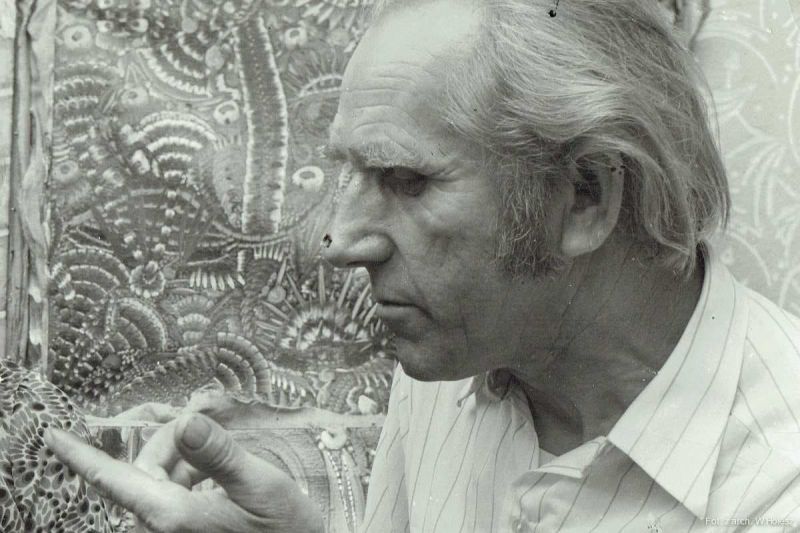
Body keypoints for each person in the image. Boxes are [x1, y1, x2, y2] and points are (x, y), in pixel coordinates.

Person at [46, 0, 800, 531]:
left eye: (406, 180)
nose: (338, 242)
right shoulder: (457, 353)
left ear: (586, 196)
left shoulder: (775, 487)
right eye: (350, 173)